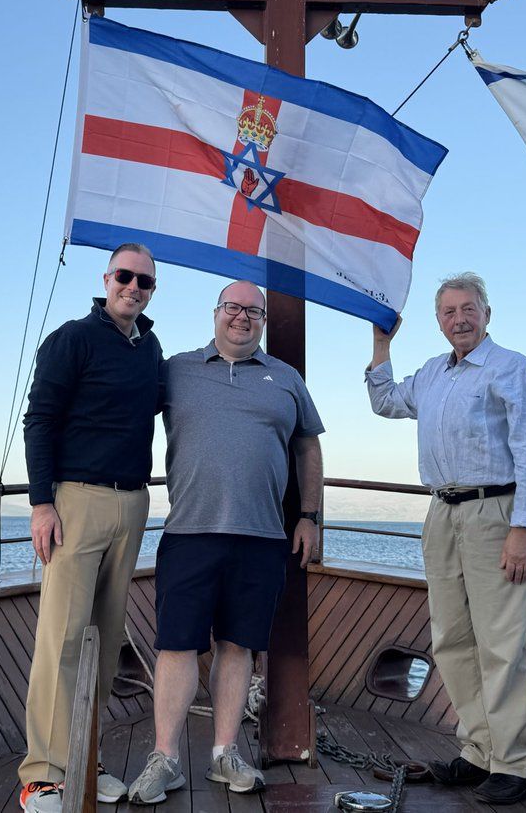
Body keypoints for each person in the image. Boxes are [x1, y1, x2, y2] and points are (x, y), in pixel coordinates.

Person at [127, 280, 323, 805]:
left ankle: (224, 753)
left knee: (238, 645)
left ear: (261, 320)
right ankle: (164, 758)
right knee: (175, 647)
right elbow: (120, 407)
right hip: (189, 533)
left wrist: (309, 517)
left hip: (262, 537)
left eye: (252, 311)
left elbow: (307, 448)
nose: (242, 317)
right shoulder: (177, 370)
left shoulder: (286, 379)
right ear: (215, 314)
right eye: (232, 308)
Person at [365, 272, 526, 806]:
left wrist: (523, 527)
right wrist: (382, 344)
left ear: (487, 313)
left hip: (496, 512)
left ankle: (514, 764)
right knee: (451, 638)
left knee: (503, 641)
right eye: (448, 311)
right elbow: (385, 403)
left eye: (468, 308)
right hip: (441, 512)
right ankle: (478, 752)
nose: (459, 319)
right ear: (439, 321)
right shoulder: (430, 374)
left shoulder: (511, 369)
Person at [17, 244, 163, 813]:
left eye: (143, 281)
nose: (133, 286)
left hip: (132, 504)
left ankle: (86, 758)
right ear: (106, 279)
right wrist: (41, 504)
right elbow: (41, 419)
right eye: (124, 276)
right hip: (75, 501)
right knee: (62, 639)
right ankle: (43, 776)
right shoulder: (72, 339)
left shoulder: (149, 348)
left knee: (105, 640)